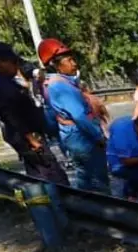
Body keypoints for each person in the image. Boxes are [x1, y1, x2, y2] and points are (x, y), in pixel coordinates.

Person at [0, 41, 68, 184]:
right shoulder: (0, 86)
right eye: (13, 63)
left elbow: (26, 66)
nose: (17, 66)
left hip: (31, 132)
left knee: (39, 172)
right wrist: (31, 139)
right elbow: (11, 116)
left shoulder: (5, 78)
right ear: (0, 63)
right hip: (27, 137)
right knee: (49, 173)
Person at [38, 38, 109, 193]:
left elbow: (50, 118)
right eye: (69, 60)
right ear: (54, 64)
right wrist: (99, 137)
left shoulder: (50, 83)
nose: (74, 63)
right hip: (83, 138)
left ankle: (83, 208)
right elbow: (80, 116)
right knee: (99, 180)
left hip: (71, 137)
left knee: (84, 177)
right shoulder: (61, 86)